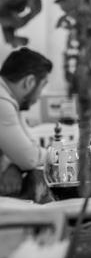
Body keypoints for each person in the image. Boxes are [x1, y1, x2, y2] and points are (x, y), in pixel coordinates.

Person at [0, 47, 52, 196]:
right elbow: (30, 158)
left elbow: (26, 149)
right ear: (29, 82)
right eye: (43, 85)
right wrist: (58, 155)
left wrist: (14, 165)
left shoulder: (8, 99)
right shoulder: (2, 102)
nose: (40, 95)